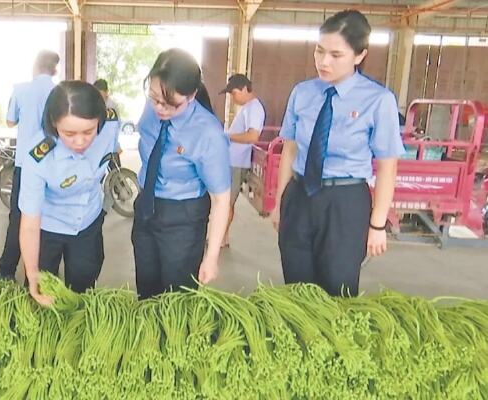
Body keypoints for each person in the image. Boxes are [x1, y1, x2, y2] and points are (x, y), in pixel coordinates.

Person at [270, 10, 404, 297]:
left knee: (337, 287)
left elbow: (387, 167)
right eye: (319, 51)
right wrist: (281, 202)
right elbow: (290, 149)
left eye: (335, 54)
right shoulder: (303, 93)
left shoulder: (378, 100)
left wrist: (377, 224)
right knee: (296, 285)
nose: (323, 61)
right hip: (300, 194)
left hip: (344, 202)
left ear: (359, 55)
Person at [132, 48, 231, 300]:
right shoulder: (153, 107)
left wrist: (211, 258)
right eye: (154, 97)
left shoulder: (208, 133)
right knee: (146, 288)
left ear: (192, 95)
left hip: (182, 217)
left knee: (177, 296)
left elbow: (221, 199)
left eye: (171, 104)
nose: (160, 108)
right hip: (146, 205)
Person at [19, 81, 120, 306]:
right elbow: (29, 223)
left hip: (88, 221)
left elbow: (112, 148)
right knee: (43, 293)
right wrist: (32, 273)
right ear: (54, 124)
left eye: (88, 131)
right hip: (49, 226)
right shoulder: (39, 156)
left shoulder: (111, 125)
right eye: (69, 133)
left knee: (84, 283)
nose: (80, 141)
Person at [0, 50, 60, 281]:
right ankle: (40, 275)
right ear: (54, 69)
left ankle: (6, 270)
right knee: (47, 218)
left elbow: (10, 120)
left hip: (26, 163)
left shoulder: (21, 90)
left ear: (35, 66)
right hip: (53, 164)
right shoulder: (59, 92)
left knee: (19, 217)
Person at [218, 74, 266, 247]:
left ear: (245, 89)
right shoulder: (247, 107)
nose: (233, 97)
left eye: (234, 93)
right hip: (232, 161)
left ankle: (221, 239)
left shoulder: (255, 109)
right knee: (224, 202)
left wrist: (226, 136)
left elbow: (253, 136)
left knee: (226, 202)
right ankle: (222, 237)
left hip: (236, 163)